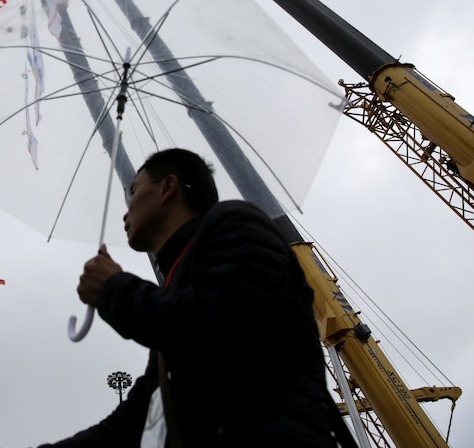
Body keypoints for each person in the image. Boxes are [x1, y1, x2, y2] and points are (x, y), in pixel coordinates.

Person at [37, 148, 353, 448]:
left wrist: (112, 288)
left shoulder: (236, 221)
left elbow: (226, 323)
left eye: (133, 191)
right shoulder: (175, 292)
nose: (126, 210)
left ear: (168, 188)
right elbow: (139, 417)